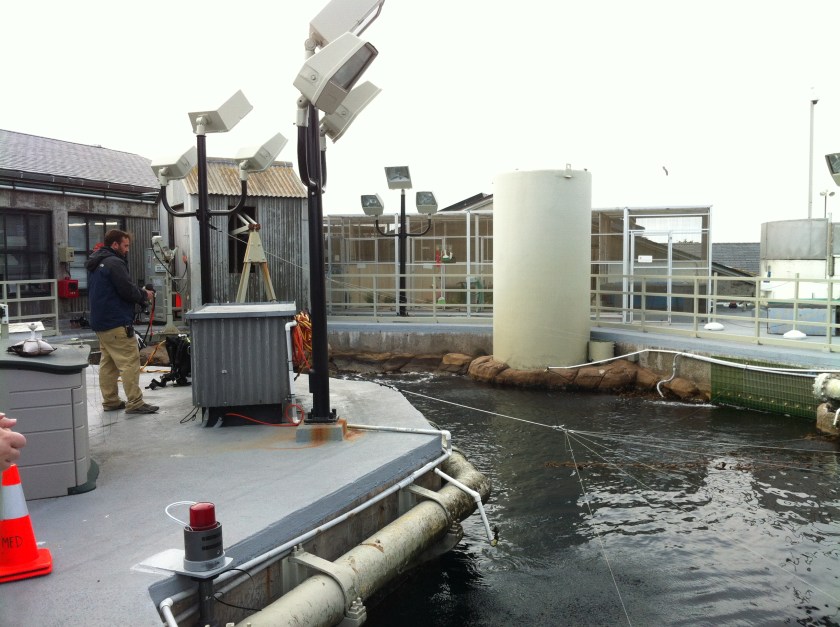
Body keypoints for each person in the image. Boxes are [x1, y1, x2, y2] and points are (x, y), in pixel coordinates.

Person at [86, 229, 159, 414]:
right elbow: (126, 290)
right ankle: (135, 402)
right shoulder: (114, 262)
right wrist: (144, 295)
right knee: (129, 362)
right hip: (116, 321)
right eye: (125, 246)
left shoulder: (96, 262)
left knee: (108, 363)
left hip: (101, 323)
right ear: (115, 244)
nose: (127, 250)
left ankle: (110, 401)